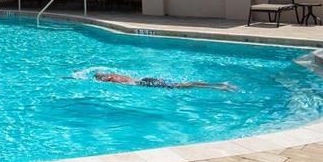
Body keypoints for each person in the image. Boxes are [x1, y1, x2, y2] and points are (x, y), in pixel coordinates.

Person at [94, 71, 236, 92]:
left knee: (181, 86)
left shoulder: (111, 79)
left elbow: (126, 84)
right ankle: (219, 84)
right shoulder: (115, 74)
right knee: (181, 83)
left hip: (144, 83)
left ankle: (220, 87)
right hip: (146, 79)